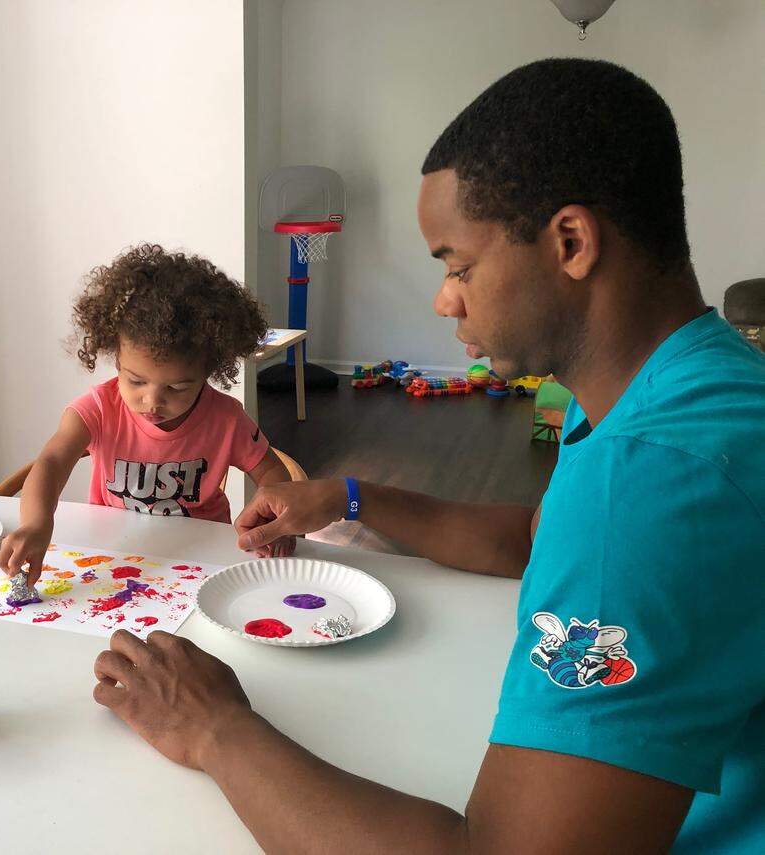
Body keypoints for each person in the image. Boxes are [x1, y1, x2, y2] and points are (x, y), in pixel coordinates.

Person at [92, 59, 765, 853]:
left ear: (572, 242)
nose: (445, 298)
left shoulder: (653, 477)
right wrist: (350, 496)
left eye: (458, 265)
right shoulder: (701, 380)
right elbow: (533, 540)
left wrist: (212, 728)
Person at [0, 243, 295, 585]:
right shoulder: (97, 409)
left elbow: (271, 470)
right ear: (116, 359)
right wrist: (36, 523)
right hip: (113, 553)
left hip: (203, 559)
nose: (152, 401)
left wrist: (273, 516)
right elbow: (50, 462)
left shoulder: (226, 419)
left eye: (178, 388)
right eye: (135, 381)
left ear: (209, 370)